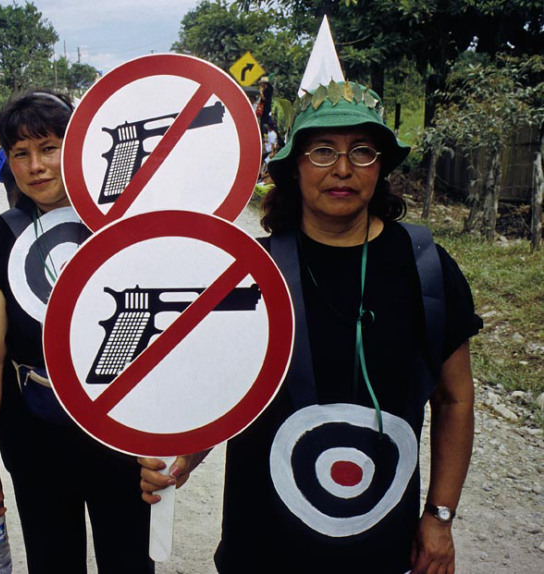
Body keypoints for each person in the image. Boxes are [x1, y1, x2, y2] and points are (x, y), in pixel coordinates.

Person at [140, 79, 481, 574]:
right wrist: (180, 459)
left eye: (362, 151)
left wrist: (439, 516)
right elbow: (221, 393)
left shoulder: (424, 265)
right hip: (265, 540)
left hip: (382, 540)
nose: (342, 169)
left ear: (381, 166)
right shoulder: (250, 271)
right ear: (293, 167)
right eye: (322, 151)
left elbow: (455, 399)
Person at [0, 89, 154, 574]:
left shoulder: (125, 224)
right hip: (34, 429)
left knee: (129, 556)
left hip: (119, 423)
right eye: (21, 154)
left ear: (79, 146)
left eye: (49, 147)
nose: (35, 166)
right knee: (52, 558)